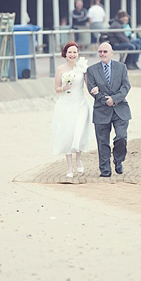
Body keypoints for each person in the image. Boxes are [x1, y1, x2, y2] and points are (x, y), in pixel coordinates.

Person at [86, 42, 131, 177]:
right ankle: (105, 169)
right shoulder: (92, 70)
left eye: (105, 51)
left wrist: (115, 99)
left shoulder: (121, 67)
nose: (102, 54)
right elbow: (91, 89)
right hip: (101, 110)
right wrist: (106, 100)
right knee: (102, 141)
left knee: (121, 137)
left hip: (120, 108)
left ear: (111, 53)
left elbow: (126, 86)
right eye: (100, 52)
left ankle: (118, 160)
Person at [51, 41, 93, 179]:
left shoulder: (82, 67)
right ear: (65, 54)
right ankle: (69, 167)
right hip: (66, 104)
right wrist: (64, 88)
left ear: (78, 53)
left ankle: (78, 159)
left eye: (75, 52)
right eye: (70, 52)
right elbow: (56, 88)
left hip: (80, 103)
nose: (72, 54)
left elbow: (89, 85)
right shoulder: (60, 69)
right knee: (67, 133)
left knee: (79, 131)